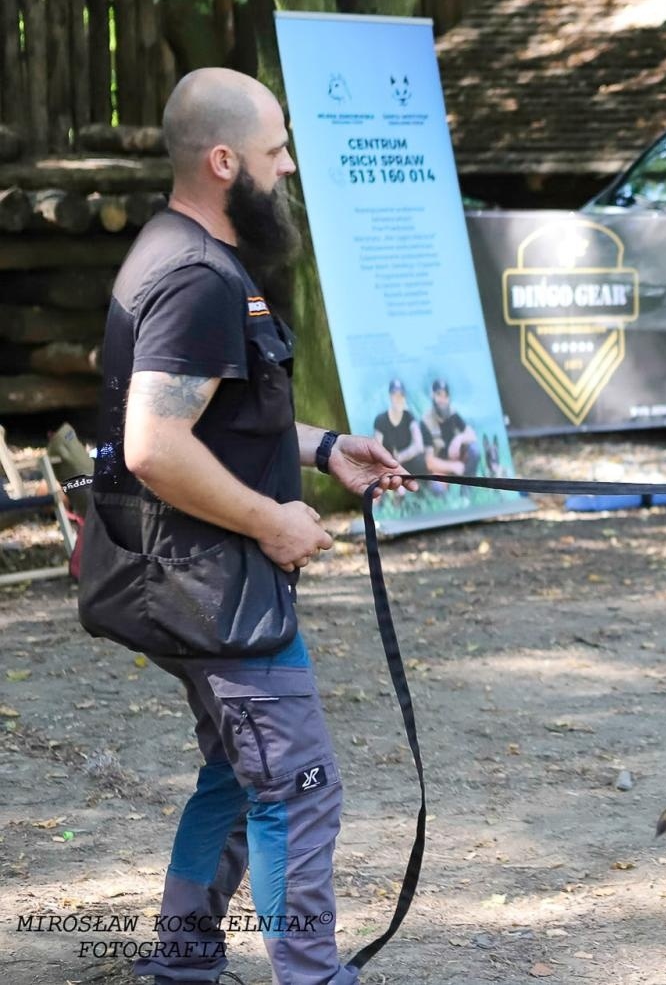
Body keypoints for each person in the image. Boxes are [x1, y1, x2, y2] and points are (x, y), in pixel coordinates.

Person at [85, 67, 414, 985]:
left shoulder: (189, 252)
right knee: (297, 790)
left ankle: (181, 966)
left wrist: (323, 450)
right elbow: (153, 445)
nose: (291, 168)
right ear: (226, 161)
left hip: (197, 581)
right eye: (276, 153)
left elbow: (216, 417)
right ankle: (312, 978)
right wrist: (274, 520)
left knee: (238, 778)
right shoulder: (193, 274)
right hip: (212, 590)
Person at [422, 378, 480, 478]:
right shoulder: (426, 422)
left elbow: (472, 436)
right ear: (433, 396)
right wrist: (452, 466)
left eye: (445, 396)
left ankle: (467, 487)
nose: (442, 399)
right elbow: (429, 462)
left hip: (456, 458)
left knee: (474, 449)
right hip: (440, 465)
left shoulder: (453, 414)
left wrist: (459, 439)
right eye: (439, 395)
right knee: (437, 488)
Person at [371, 379, 429, 479]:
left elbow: (419, 445)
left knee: (421, 460)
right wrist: (391, 462)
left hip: (406, 460)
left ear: (404, 396)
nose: (398, 398)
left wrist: (401, 457)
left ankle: (422, 485)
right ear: (390, 396)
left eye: (401, 394)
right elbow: (377, 449)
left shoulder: (409, 416)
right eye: (394, 394)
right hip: (388, 465)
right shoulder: (380, 420)